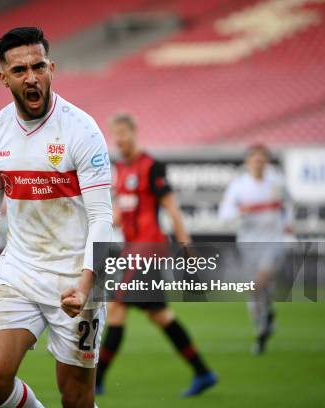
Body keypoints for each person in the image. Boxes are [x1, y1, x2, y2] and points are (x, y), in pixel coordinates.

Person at [0, 27, 113, 408]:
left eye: (39, 66)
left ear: (52, 68)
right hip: (22, 274)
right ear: (3, 78)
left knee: (76, 399)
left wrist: (85, 283)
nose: (31, 77)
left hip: (78, 279)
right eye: (19, 70)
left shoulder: (82, 130)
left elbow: (100, 216)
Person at [95, 113, 217, 397]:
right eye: (116, 134)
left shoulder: (152, 167)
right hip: (133, 249)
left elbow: (171, 208)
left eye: (124, 132)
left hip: (148, 249)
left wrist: (186, 245)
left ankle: (97, 379)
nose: (121, 139)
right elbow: (121, 213)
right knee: (159, 315)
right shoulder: (122, 171)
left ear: (135, 132)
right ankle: (202, 371)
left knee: (117, 308)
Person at [219, 143, 293, 354]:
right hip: (249, 244)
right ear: (247, 162)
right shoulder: (239, 186)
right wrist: (241, 212)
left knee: (257, 284)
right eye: (254, 160)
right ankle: (264, 324)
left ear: (267, 162)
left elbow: (289, 204)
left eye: (262, 160)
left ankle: (265, 320)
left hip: (273, 242)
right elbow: (224, 215)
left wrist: (288, 225)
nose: (258, 164)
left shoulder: (277, 183)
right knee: (257, 292)